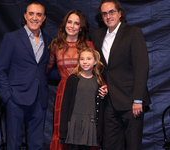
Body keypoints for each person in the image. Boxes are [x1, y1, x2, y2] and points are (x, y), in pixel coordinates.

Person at [91, 0, 151, 150]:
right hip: (109, 102)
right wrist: (101, 85)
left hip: (131, 101)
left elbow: (141, 67)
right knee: (110, 145)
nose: (108, 16)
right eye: (104, 13)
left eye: (111, 12)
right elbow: (98, 67)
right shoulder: (97, 35)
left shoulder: (133, 32)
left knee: (132, 145)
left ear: (120, 13)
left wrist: (138, 99)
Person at [47, 9, 108, 150]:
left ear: (81, 27)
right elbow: (46, 70)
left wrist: (103, 86)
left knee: (86, 130)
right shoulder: (56, 45)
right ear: (64, 24)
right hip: (63, 93)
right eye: (69, 22)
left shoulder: (88, 45)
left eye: (76, 23)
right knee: (63, 131)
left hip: (85, 92)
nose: (72, 26)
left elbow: (96, 70)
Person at [0, 2, 52, 150]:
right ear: (25, 16)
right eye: (31, 13)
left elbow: (46, 69)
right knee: (14, 145)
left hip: (39, 100)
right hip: (16, 100)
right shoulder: (12, 38)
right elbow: (0, 70)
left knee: (36, 145)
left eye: (39, 14)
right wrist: (7, 97)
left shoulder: (49, 41)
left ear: (44, 18)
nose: (35, 17)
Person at [59, 47, 105, 150]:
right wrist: (63, 130)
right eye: (82, 59)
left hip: (90, 123)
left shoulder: (98, 81)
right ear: (79, 61)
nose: (85, 62)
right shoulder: (73, 79)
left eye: (89, 59)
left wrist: (99, 129)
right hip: (74, 123)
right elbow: (65, 105)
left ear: (95, 62)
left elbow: (101, 107)